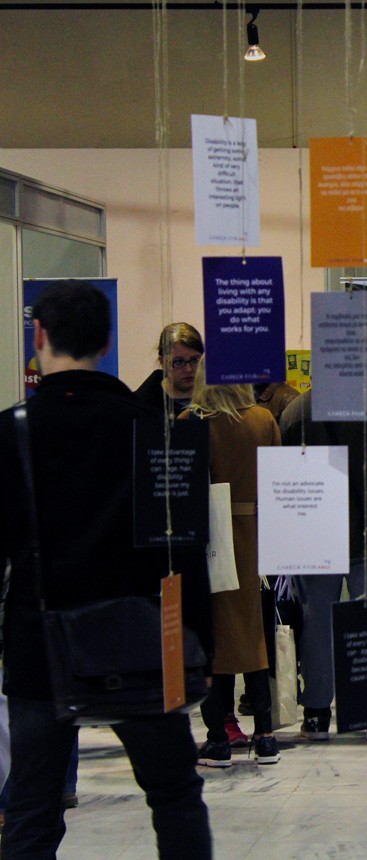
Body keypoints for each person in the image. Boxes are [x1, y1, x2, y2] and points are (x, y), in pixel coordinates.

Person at [0, 281, 212, 857]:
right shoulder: (154, 429)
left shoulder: (11, 432)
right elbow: (187, 549)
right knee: (175, 795)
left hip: (39, 647)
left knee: (32, 807)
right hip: (140, 644)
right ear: (107, 341)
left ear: (38, 336)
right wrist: (201, 647)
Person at [279, 389, 367, 741]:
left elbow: (284, 476)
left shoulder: (295, 411)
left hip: (314, 532)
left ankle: (316, 715)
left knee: (316, 623)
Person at [179, 363, 283, 767]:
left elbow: (184, 488)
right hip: (256, 535)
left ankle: (218, 739)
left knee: (213, 638)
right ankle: (266, 735)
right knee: (254, 636)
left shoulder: (192, 422)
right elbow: (277, 481)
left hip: (211, 539)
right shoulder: (263, 420)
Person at [135, 322, 204, 419]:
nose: (188, 369)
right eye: (179, 362)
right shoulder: (143, 405)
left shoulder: (217, 399)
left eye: (195, 360)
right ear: (162, 362)